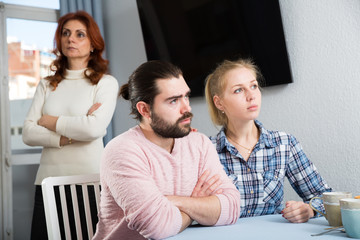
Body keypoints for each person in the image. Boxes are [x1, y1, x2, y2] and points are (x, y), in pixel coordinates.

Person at [93, 60, 240, 240]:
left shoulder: (200, 143)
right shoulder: (122, 151)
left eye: (186, 96)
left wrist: (173, 201)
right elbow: (157, 228)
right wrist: (197, 206)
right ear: (145, 110)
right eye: (173, 101)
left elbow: (232, 208)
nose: (187, 108)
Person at [22, 11, 119, 239]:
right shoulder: (46, 85)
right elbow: (28, 132)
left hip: (90, 181)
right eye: (65, 33)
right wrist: (65, 137)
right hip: (47, 181)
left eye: (79, 34)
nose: (70, 39)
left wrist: (51, 122)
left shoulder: (105, 83)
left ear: (93, 44)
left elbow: (94, 129)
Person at [204, 58, 332, 223]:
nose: (251, 96)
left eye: (253, 86)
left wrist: (309, 210)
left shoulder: (284, 143)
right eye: (238, 90)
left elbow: (324, 197)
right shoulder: (205, 150)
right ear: (219, 103)